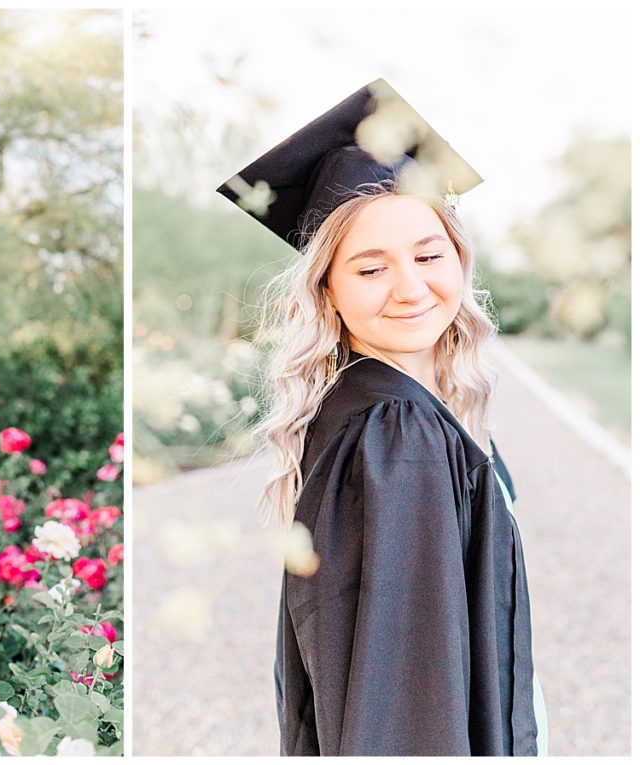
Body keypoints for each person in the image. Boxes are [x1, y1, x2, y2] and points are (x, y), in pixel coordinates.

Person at [217, 79, 547, 756]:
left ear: (458, 257)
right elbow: (406, 700)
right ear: (328, 292)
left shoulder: (385, 406)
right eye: (370, 268)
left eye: (428, 255)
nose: (410, 286)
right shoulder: (395, 431)